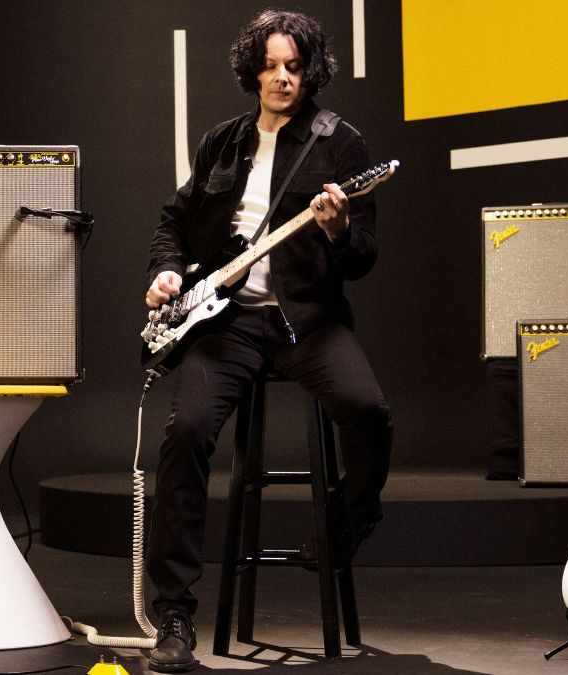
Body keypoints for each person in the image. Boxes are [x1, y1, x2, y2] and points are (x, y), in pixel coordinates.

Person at [141, 9, 393, 673]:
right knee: (187, 430)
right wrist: (167, 272)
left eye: (295, 67)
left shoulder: (343, 145)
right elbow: (175, 221)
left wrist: (338, 229)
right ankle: (173, 613)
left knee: (368, 410)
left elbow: (363, 255)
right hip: (227, 323)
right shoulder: (222, 143)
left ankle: (347, 521)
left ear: (311, 72)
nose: (284, 78)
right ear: (253, 70)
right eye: (273, 66)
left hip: (308, 320)